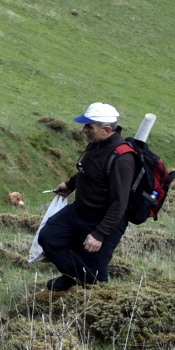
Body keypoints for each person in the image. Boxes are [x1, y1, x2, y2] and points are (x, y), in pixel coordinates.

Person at [36, 101, 136, 291]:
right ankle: (74, 277)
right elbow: (88, 170)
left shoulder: (123, 159)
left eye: (89, 126)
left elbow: (119, 203)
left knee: (97, 275)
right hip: (79, 210)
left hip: (104, 219)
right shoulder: (96, 144)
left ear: (106, 129)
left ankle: (95, 298)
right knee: (49, 237)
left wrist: (99, 234)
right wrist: (71, 184)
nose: (84, 130)